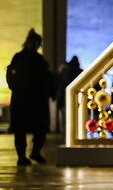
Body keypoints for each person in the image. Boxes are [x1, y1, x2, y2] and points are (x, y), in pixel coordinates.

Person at [6, 29, 52, 166]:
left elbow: (46, 79)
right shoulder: (28, 59)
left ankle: (30, 154)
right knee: (27, 129)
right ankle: (26, 154)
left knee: (33, 129)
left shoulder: (34, 59)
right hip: (28, 100)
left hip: (29, 100)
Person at [53, 54, 80, 137]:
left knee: (65, 118)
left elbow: (59, 85)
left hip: (63, 99)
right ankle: (74, 133)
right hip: (76, 99)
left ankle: (66, 134)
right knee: (75, 117)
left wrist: (56, 97)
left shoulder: (64, 72)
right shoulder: (79, 72)